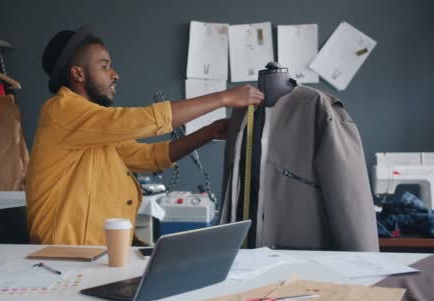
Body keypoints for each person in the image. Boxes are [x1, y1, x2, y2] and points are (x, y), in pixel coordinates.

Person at [26, 25, 264, 245]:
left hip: (98, 252)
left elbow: (146, 157)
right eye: (104, 66)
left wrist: (207, 132)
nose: (115, 74)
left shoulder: (93, 125)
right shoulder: (61, 110)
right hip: (64, 256)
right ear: (78, 74)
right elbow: (142, 120)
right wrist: (223, 98)